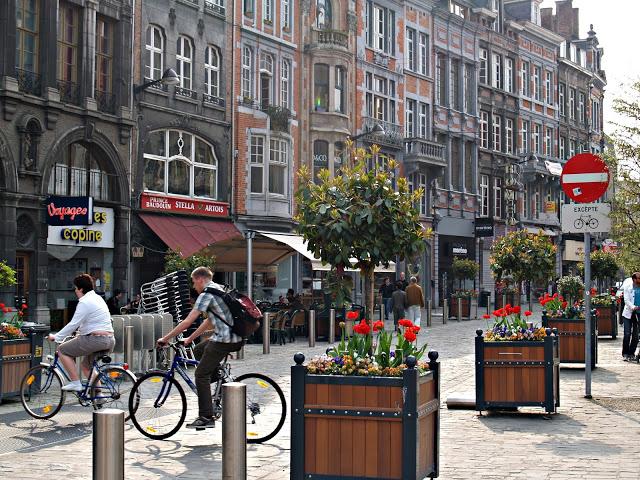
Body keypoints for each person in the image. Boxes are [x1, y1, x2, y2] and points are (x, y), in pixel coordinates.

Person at [157, 267, 244, 429]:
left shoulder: (206, 294)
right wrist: (190, 338)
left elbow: (187, 322)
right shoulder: (217, 289)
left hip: (225, 339)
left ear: (200, 279)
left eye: (193, 282)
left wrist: (165, 338)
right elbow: (209, 321)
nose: (193, 286)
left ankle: (206, 416)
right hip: (232, 337)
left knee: (200, 374)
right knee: (198, 350)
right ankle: (219, 380)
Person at [46, 274, 115, 392]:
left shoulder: (84, 302)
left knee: (62, 350)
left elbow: (73, 324)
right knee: (86, 366)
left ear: (81, 289)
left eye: (76, 288)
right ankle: (98, 396)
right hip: (109, 340)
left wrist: (57, 337)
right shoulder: (98, 298)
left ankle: (75, 383)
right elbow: (89, 321)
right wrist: (80, 333)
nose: (75, 291)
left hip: (95, 340)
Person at [621, 273, 640, 361]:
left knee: (636, 335)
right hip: (628, 313)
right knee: (627, 334)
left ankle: (631, 353)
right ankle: (625, 353)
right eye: (639, 278)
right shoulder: (628, 287)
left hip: (638, 313)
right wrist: (633, 307)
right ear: (634, 279)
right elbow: (626, 300)